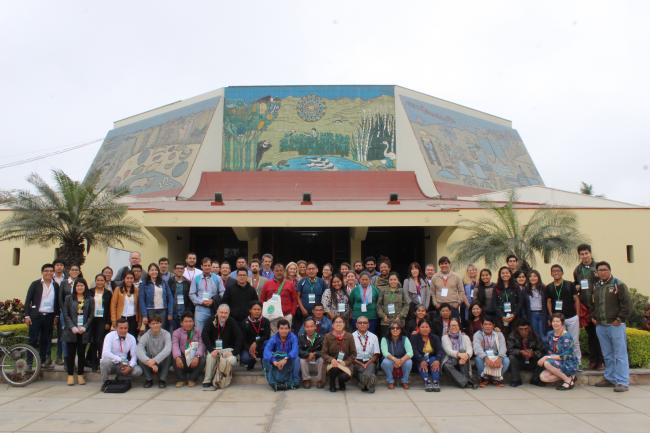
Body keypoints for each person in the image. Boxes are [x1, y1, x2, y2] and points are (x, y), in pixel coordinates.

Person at [592, 261, 631, 392]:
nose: (602, 272)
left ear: (609, 270)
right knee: (607, 354)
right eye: (600, 270)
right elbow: (595, 304)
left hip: (615, 325)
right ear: (597, 273)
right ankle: (610, 378)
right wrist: (594, 316)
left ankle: (622, 382)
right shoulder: (597, 286)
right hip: (601, 326)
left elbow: (627, 305)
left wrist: (619, 319)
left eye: (604, 269)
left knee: (620, 354)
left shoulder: (618, 284)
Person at [573, 244, 603, 370]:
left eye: (586, 253)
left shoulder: (598, 267)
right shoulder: (577, 270)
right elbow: (576, 284)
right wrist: (576, 287)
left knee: (600, 335)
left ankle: (601, 361)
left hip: (598, 307)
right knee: (591, 335)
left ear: (590, 253)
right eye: (582, 254)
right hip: (586, 308)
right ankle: (593, 361)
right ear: (579, 255)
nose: (584, 256)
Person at [24, 263, 60, 369]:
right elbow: (28, 301)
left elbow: (57, 302)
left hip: (49, 316)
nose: (48, 273)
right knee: (33, 340)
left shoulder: (56, 285)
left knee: (45, 340)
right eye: (46, 271)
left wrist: (56, 316)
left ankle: (43, 362)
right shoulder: (35, 284)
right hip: (36, 316)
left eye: (50, 271)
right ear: (42, 272)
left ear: (53, 273)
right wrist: (27, 315)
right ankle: (29, 363)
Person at [546, 264, 581, 365]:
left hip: (571, 317)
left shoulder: (570, 284)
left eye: (558, 271)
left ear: (562, 273)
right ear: (551, 273)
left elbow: (576, 299)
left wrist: (577, 315)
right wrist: (551, 316)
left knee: (574, 341)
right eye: (553, 271)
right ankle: (563, 362)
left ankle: (577, 362)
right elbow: (548, 301)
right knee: (560, 341)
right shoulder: (549, 287)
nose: (556, 272)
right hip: (558, 320)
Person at [201, 304, 242, 389]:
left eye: (226, 313)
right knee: (210, 357)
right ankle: (207, 380)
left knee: (231, 360)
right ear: (217, 312)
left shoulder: (232, 321)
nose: (223, 315)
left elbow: (239, 337)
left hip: (227, 350)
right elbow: (204, 335)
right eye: (221, 312)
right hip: (214, 349)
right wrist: (211, 349)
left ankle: (221, 379)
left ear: (229, 313)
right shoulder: (211, 320)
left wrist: (233, 352)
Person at [62, 278, 94, 385]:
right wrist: (72, 327)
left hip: (83, 331)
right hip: (72, 331)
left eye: (82, 286)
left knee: (81, 354)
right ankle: (70, 375)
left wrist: (85, 327)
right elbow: (66, 314)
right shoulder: (68, 298)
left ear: (85, 287)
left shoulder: (90, 299)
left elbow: (91, 315)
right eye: (78, 286)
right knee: (71, 354)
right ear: (74, 287)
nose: (80, 287)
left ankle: (80, 374)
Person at [539, 313, 578, 390]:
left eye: (558, 321)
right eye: (553, 321)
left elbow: (565, 356)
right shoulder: (550, 334)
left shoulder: (566, 336)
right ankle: (570, 376)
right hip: (556, 362)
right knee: (543, 377)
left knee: (546, 363)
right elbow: (550, 350)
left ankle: (568, 381)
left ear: (562, 323)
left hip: (568, 362)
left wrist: (546, 357)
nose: (555, 323)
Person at [100, 318, 143, 388]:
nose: (123, 330)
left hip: (124, 364)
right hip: (112, 363)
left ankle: (121, 377)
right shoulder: (109, 336)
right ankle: (105, 382)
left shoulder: (131, 338)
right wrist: (121, 360)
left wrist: (130, 366)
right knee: (104, 361)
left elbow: (134, 356)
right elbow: (105, 352)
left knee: (138, 371)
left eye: (125, 328)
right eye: (121, 328)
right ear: (116, 328)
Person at [260, 263, 299, 333]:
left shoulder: (289, 284)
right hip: (272, 316)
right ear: (273, 272)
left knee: (286, 336)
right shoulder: (267, 284)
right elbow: (262, 299)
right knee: (273, 336)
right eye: (277, 271)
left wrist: (292, 313)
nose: (279, 272)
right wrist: (266, 312)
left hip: (286, 315)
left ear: (284, 271)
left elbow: (294, 300)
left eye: (281, 270)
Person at [263, 319, 300, 390]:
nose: (284, 331)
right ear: (278, 329)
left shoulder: (293, 337)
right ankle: (273, 381)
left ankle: (295, 381)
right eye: (281, 328)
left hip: (289, 359)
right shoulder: (274, 338)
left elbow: (295, 350)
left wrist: (286, 358)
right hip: (277, 360)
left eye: (286, 328)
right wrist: (274, 361)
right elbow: (266, 351)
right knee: (266, 359)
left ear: (289, 329)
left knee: (297, 359)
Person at [321, 316, 356, 392]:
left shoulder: (349, 336)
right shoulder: (327, 336)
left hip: (345, 363)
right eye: (336, 322)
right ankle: (332, 384)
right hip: (331, 363)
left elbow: (353, 354)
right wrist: (331, 359)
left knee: (344, 376)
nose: (338, 324)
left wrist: (346, 362)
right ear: (332, 325)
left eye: (340, 322)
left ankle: (341, 382)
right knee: (334, 367)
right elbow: (323, 353)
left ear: (344, 324)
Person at [189, 257, 224, 331]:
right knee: (199, 331)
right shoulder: (196, 279)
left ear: (211, 266)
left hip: (214, 309)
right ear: (201, 266)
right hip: (200, 309)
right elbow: (191, 294)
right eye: (205, 265)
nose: (207, 267)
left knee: (213, 331)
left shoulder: (217, 278)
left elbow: (222, 292)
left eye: (209, 265)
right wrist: (201, 301)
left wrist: (213, 301)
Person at [137, 315, 172, 388]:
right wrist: (148, 361)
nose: (155, 325)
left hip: (162, 362)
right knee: (141, 356)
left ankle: (162, 379)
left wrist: (155, 360)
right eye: (153, 323)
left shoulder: (166, 334)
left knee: (169, 354)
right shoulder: (146, 335)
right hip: (150, 364)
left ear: (161, 323)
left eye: (157, 323)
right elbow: (139, 349)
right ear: (149, 325)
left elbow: (167, 349)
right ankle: (149, 379)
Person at [472, 317, 509, 387]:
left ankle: (496, 378)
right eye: (485, 324)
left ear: (493, 325)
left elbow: (503, 347)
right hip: (484, 354)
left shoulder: (499, 334)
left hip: (497, 354)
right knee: (478, 359)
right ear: (482, 325)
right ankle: (484, 378)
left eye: (490, 324)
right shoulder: (478, 334)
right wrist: (485, 358)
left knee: (506, 360)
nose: (487, 326)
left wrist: (500, 358)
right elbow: (477, 348)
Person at [172, 312, 205, 387]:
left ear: (193, 322)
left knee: (202, 359)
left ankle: (192, 379)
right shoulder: (176, 332)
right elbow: (175, 345)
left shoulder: (198, 331)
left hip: (194, 357)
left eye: (190, 321)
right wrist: (177, 357)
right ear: (181, 323)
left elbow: (201, 345)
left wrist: (197, 356)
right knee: (174, 357)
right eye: (186, 321)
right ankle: (181, 379)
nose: (188, 323)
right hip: (182, 357)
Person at [507, 320, 544, 387]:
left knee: (543, 358)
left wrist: (533, 353)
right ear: (517, 329)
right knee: (511, 357)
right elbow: (509, 350)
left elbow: (541, 350)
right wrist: (520, 352)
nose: (523, 331)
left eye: (526, 329)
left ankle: (535, 379)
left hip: (532, 361)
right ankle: (516, 380)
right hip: (520, 361)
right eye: (521, 329)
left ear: (529, 328)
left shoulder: (535, 335)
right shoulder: (512, 336)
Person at [87, 274, 112, 372]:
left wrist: (108, 322)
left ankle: (101, 363)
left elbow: (110, 308)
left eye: (102, 280)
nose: (100, 282)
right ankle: (93, 364)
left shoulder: (108, 293)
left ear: (105, 282)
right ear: (95, 281)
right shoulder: (90, 292)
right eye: (98, 280)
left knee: (100, 341)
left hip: (102, 320)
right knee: (93, 342)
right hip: (92, 319)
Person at [441, 318, 475, 389]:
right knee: (446, 365)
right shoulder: (445, 337)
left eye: (456, 325)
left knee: (463, 351)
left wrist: (466, 356)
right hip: (450, 360)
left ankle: (464, 381)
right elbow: (448, 351)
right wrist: (459, 355)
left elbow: (470, 350)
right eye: (452, 325)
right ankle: (467, 381)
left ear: (459, 326)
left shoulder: (465, 337)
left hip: (463, 360)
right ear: (449, 327)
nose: (454, 327)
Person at [410, 319, 443, 392]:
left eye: (427, 327)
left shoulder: (435, 337)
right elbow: (414, 351)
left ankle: (435, 381)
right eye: (422, 327)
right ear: (418, 328)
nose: (425, 329)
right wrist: (421, 360)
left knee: (434, 361)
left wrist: (437, 360)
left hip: (432, 358)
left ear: (430, 328)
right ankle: (427, 381)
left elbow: (440, 350)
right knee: (422, 363)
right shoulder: (414, 337)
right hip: (419, 359)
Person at [139, 263, 174, 330]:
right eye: (152, 270)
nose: (154, 272)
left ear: (158, 271)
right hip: (150, 311)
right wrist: (144, 315)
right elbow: (141, 300)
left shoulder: (163, 282)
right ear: (148, 272)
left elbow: (170, 298)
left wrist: (170, 312)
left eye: (155, 270)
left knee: (162, 330)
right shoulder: (144, 283)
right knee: (150, 330)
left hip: (163, 310)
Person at [380, 321, 413, 389]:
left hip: (402, 358)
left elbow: (410, 352)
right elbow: (385, 353)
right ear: (390, 330)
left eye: (397, 328)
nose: (395, 329)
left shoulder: (405, 338)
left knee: (409, 362)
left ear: (400, 330)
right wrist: (395, 360)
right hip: (390, 359)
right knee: (386, 362)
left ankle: (405, 381)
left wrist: (401, 360)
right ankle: (390, 381)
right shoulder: (384, 339)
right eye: (393, 328)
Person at [351, 316, 380, 393]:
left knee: (369, 368)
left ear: (368, 325)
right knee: (364, 370)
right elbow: (349, 355)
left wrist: (367, 363)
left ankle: (364, 384)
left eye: (365, 323)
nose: (362, 324)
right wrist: (360, 363)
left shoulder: (374, 337)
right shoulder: (351, 337)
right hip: (356, 362)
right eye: (360, 323)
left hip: (370, 361)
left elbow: (376, 354)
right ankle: (370, 382)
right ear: (356, 325)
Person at [377, 272, 410, 337]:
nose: (393, 281)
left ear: (398, 280)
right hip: (386, 321)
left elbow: (406, 305)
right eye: (391, 280)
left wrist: (400, 316)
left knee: (399, 340)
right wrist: (383, 316)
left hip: (398, 320)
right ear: (388, 281)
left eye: (395, 279)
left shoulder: (402, 291)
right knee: (386, 340)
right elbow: (379, 305)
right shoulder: (383, 291)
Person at [241, 301, 271, 370]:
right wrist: (250, 349)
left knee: (268, 342)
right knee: (245, 358)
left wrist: (256, 343)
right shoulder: (244, 322)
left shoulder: (266, 321)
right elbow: (243, 340)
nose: (257, 311)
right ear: (250, 310)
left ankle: (264, 362)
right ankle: (252, 360)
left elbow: (267, 336)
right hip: (249, 347)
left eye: (259, 309)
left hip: (261, 346)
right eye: (254, 309)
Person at [110, 271, 140, 338]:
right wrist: (114, 320)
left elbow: (138, 307)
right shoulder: (118, 289)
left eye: (131, 278)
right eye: (127, 278)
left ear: (134, 279)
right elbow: (113, 305)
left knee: (132, 338)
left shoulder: (136, 290)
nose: (129, 280)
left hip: (133, 319)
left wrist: (139, 322)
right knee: (120, 338)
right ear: (124, 279)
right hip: (121, 318)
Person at [296, 262, 326, 327]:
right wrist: (302, 309)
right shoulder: (302, 281)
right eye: (309, 269)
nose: (311, 271)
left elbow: (325, 297)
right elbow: (297, 297)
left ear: (317, 270)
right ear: (306, 271)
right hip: (305, 312)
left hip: (318, 313)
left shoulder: (321, 282)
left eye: (313, 269)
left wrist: (321, 310)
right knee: (306, 330)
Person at [493, 266, 520, 337]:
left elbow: (520, 302)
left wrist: (514, 314)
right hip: (501, 317)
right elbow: (494, 304)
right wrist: (502, 316)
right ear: (500, 275)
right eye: (503, 273)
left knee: (514, 336)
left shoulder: (516, 287)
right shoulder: (496, 288)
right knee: (503, 335)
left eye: (507, 273)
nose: (505, 275)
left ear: (510, 274)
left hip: (514, 317)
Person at [298, 317, 324, 388]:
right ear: (304, 327)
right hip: (306, 359)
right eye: (307, 327)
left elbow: (324, 351)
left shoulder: (321, 337)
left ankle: (319, 380)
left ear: (315, 327)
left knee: (322, 360)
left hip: (317, 358)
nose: (309, 329)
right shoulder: (301, 337)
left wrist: (315, 354)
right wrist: (307, 355)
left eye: (311, 326)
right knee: (301, 360)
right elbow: (299, 350)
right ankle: (306, 380)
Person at [523, 270, 547, 343]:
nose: (533, 278)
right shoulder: (525, 290)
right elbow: (523, 305)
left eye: (535, 276)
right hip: (532, 315)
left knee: (543, 335)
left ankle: (546, 352)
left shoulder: (544, 288)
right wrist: (525, 317)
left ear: (538, 277)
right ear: (528, 278)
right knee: (536, 335)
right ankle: (539, 353)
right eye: (530, 276)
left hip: (542, 314)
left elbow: (547, 302)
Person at [170, 263, 192, 331]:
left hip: (184, 312)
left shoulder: (188, 283)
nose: (179, 270)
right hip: (173, 312)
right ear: (174, 270)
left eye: (181, 268)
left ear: (184, 270)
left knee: (184, 332)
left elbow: (190, 298)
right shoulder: (169, 281)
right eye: (178, 268)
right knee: (173, 332)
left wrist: (188, 311)